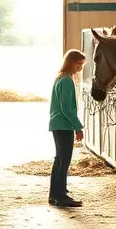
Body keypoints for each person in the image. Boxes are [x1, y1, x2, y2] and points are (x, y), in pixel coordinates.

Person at [48, 49, 87, 207]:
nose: (80, 68)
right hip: (64, 126)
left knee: (59, 160)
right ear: (71, 63)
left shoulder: (60, 78)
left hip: (58, 124)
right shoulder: (66, 81)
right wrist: (78, 126)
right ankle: (61, 196)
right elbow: (66, 109)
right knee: (64, 161)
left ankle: (55, 194)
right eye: (79, 64)